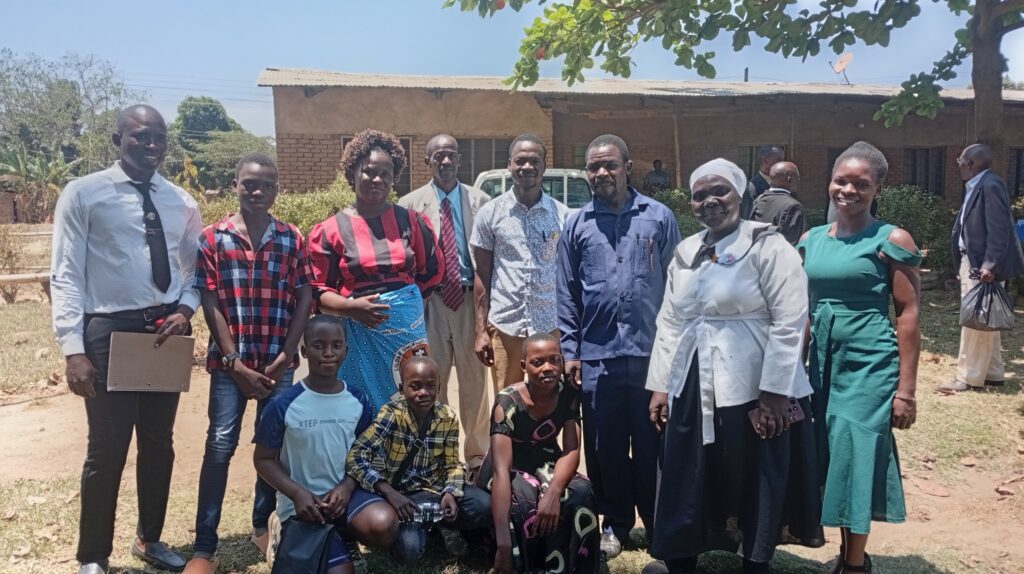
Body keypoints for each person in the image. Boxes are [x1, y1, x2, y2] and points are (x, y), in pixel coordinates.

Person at [643, 158, 823, 574]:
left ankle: (753, 561)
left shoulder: (768, 246)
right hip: (691, 378)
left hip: (753, 380)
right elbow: (670, 320)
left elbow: (790, 318)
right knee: (685, 468)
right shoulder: (687, 250)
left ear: (740, 194)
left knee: (754, 471)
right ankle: (681, 558)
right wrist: (659, 385)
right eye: (700, 195)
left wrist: (775, 392)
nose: (709, 202)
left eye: (719, 192)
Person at [51, 104, 202, 574]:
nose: (152, 145)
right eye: (140, 136)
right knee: (107, 447)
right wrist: (73, 349)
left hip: (164, 331)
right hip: (108, 332)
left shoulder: (181, 201)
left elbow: (195, 271)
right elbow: (67, 274)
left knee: (159, 443)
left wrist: (184, 309)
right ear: (119, 138)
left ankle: (150, 539)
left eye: (159, 137)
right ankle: (93, 556)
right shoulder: (84, 194)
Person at [182, 153, 313, 574]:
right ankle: (205, 545)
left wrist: (283, 358)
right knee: (219, 445)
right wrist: (235, 361)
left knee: (270, 446)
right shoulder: (213, 238)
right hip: (229, 367)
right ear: (235, 184)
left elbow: (305, 297)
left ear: (277, 189)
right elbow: (210, 300)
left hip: (278, 364)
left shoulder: (292, 237)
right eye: (249, 184)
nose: (257, 192)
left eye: (266, 185)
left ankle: (262, 525)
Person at [799, 141, 922, 574]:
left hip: (869, 363)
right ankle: (848, 553)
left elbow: (907, 314)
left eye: (861, 184)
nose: (848, 190)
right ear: (829, 180)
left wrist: (906, 391)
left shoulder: (891, 239)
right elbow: (802, 313)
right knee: (832, 452)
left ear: (877, 189)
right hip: (821, 363)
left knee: (856, 449)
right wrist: (793, 370)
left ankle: (853, 565)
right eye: (841, 180)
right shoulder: (811, 238)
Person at [556, 134, 680, 558]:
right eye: (593, 167)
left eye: (610, 165)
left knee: (651, 443)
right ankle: (617, 523)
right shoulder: (577, 224)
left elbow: (676, 291)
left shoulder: (659, 218)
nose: (602, 173)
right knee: (605, 446)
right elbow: (566, 292)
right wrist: (570, 350)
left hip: (650, 356)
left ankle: (657, 521)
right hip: (598, 356)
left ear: (628, 166)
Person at [309, 129, 443, 414]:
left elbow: (431, 272)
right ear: (352, 172)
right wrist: (350, 308)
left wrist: (405, 309)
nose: (378, 180)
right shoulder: (330, 230)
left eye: (386, 173)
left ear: (394, 178)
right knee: (361, 403)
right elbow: (317, 290)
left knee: (411, 397)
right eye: (369, 172)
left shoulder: (411, 222)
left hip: (406, 334)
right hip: (356, 332)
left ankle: (409, 458)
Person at [253, 315, 399, 574]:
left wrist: (347, 486)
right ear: (305, 351)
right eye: (319, 346)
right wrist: (297, 493)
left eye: (336, 345)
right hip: (303, 503)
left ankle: (343, 535)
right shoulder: (284, 404)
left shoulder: (357, 399)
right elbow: (263, 459)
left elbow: (365, 453)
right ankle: (281, 526)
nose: (328, 353)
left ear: (346, 350)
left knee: (384, 525)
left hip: (346, 495)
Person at [398, 134, 492, 470]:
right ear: (427, 162)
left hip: (471, 300)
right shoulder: (409, 205)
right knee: (430, 380)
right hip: (432, 304)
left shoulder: (481, 201)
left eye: (451, 155)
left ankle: (477, 456)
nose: (446, 161)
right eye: (438, 155)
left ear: (460, 159)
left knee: (475, 382)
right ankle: (436, 454)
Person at [346, 355, 492, 562]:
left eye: (430, 386)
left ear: (439, 386)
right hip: (404, 498)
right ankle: (423, 526)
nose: (423, 393)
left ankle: (443, 524)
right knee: (408, 552)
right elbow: (356, 455)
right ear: (401, 387)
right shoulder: (391, 414)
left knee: (484, 505)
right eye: (415, 386)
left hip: (436, 490)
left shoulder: (447, 417)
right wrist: (386, 490)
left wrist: (450, 492)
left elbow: (452, 464)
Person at [477, 333, 599, 574]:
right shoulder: (507, 402)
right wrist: (503, 544)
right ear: (523, 366)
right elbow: (501, 470)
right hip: (507, 466)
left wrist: (553, 491)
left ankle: (574, 564)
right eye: (537, 362)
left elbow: (572, 448)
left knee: (581, 492)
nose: (548, 368)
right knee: (523, 500)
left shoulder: (568, 394)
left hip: (546, 460)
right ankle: (525, 563)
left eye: (555, 360)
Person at [471, 133, 570, 391]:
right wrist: (481, 331)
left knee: (552, 401)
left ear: (544, 165)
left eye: (534, 161)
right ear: (509, 164)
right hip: (506, 325)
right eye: (520, 161)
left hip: (550, 324)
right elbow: (482, 275)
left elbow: (570, 276)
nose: (527, 167)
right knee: (507, 403)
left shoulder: (563, 216)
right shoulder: (490, 213)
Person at [939, 144, 1024, 393]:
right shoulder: (978, 185)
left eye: (961, 160)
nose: (958, 163)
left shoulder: (990, 185)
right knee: (986, 316)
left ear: (971, 163)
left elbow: (1000, 229)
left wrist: (990, 264)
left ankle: (968, 377)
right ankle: (993, 373)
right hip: (972, 261)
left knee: (975, 318)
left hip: (981, 265)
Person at [749, 160, 806, 245]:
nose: (799, 180)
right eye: (797, 177)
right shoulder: (794, 207)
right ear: (789, 179)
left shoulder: (758, 201)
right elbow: (792, 244)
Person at [740, 145, 784, 219]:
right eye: (779, 160)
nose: (782, 164)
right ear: (765, 161)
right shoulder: (751, 188)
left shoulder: (784, 184)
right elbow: (748, 218)